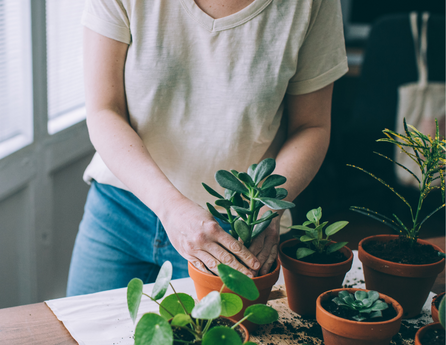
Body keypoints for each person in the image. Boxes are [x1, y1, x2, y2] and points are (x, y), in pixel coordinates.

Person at [66, 0, 348, 296]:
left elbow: (311, 126)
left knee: (219, 341)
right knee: (77, 339)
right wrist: (170, 208)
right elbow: (104, 110)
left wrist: (270, 206)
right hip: (120, 210)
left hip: (236, 228)